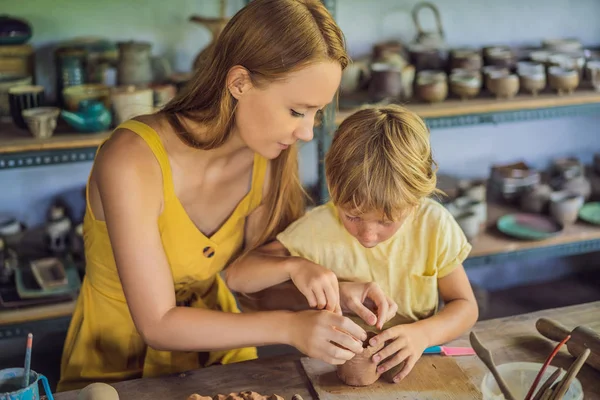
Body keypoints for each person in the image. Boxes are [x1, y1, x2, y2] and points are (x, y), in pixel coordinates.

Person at [57, 0, 381, 391]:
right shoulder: (131, 159)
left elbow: (249, 284)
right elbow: (158, 324)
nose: (307, 133)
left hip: (220, 364)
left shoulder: (269, 156)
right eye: (297, 111)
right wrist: (290, 326)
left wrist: (332, 296)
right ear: (239, 83)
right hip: (117, 371)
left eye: (317, 114)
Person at [226, 105, 479, 383]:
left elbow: (465, 306)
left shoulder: (433, 226)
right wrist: (295, 266)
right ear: (333, 188)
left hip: (416, 368)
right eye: (353, 216)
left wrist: (423, 334)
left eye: (386, 222)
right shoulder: (318, 228)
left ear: (414, 201)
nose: (368, 236)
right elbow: (238, 277)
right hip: (329, 372)